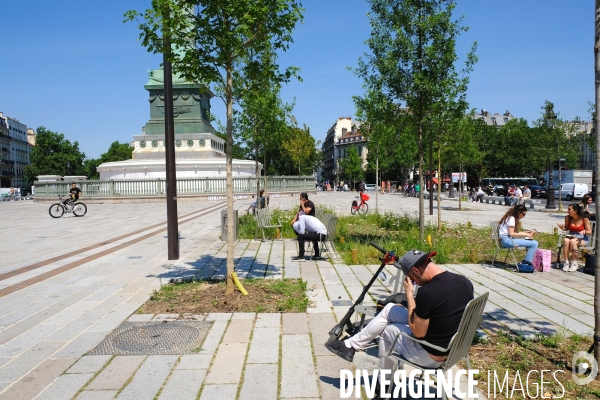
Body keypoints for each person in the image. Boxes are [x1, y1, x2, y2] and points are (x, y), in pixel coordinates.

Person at [325, 250, 474, 392]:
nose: (415, 283)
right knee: (390, 309)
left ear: (416, 270)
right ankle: (350, 345)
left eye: (412, 279)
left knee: (389, 331)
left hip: (433, 356)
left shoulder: (428, 292)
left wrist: (409, 293)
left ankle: (384, 384)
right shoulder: (464, 282)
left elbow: (419, 333)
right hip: (455, 347)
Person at [557, 203, 592, 272]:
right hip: (571, 236)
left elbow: (590, 232)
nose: (568, 211)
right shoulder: (568, 218)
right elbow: (567, 228)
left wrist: (584, 231)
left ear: (575, 211)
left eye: (569, 209)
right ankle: (566, 262)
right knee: (566, 240)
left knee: (573, 241)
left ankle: (574, 262)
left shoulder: (584, 219)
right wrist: (562, 228)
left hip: (582, 238)